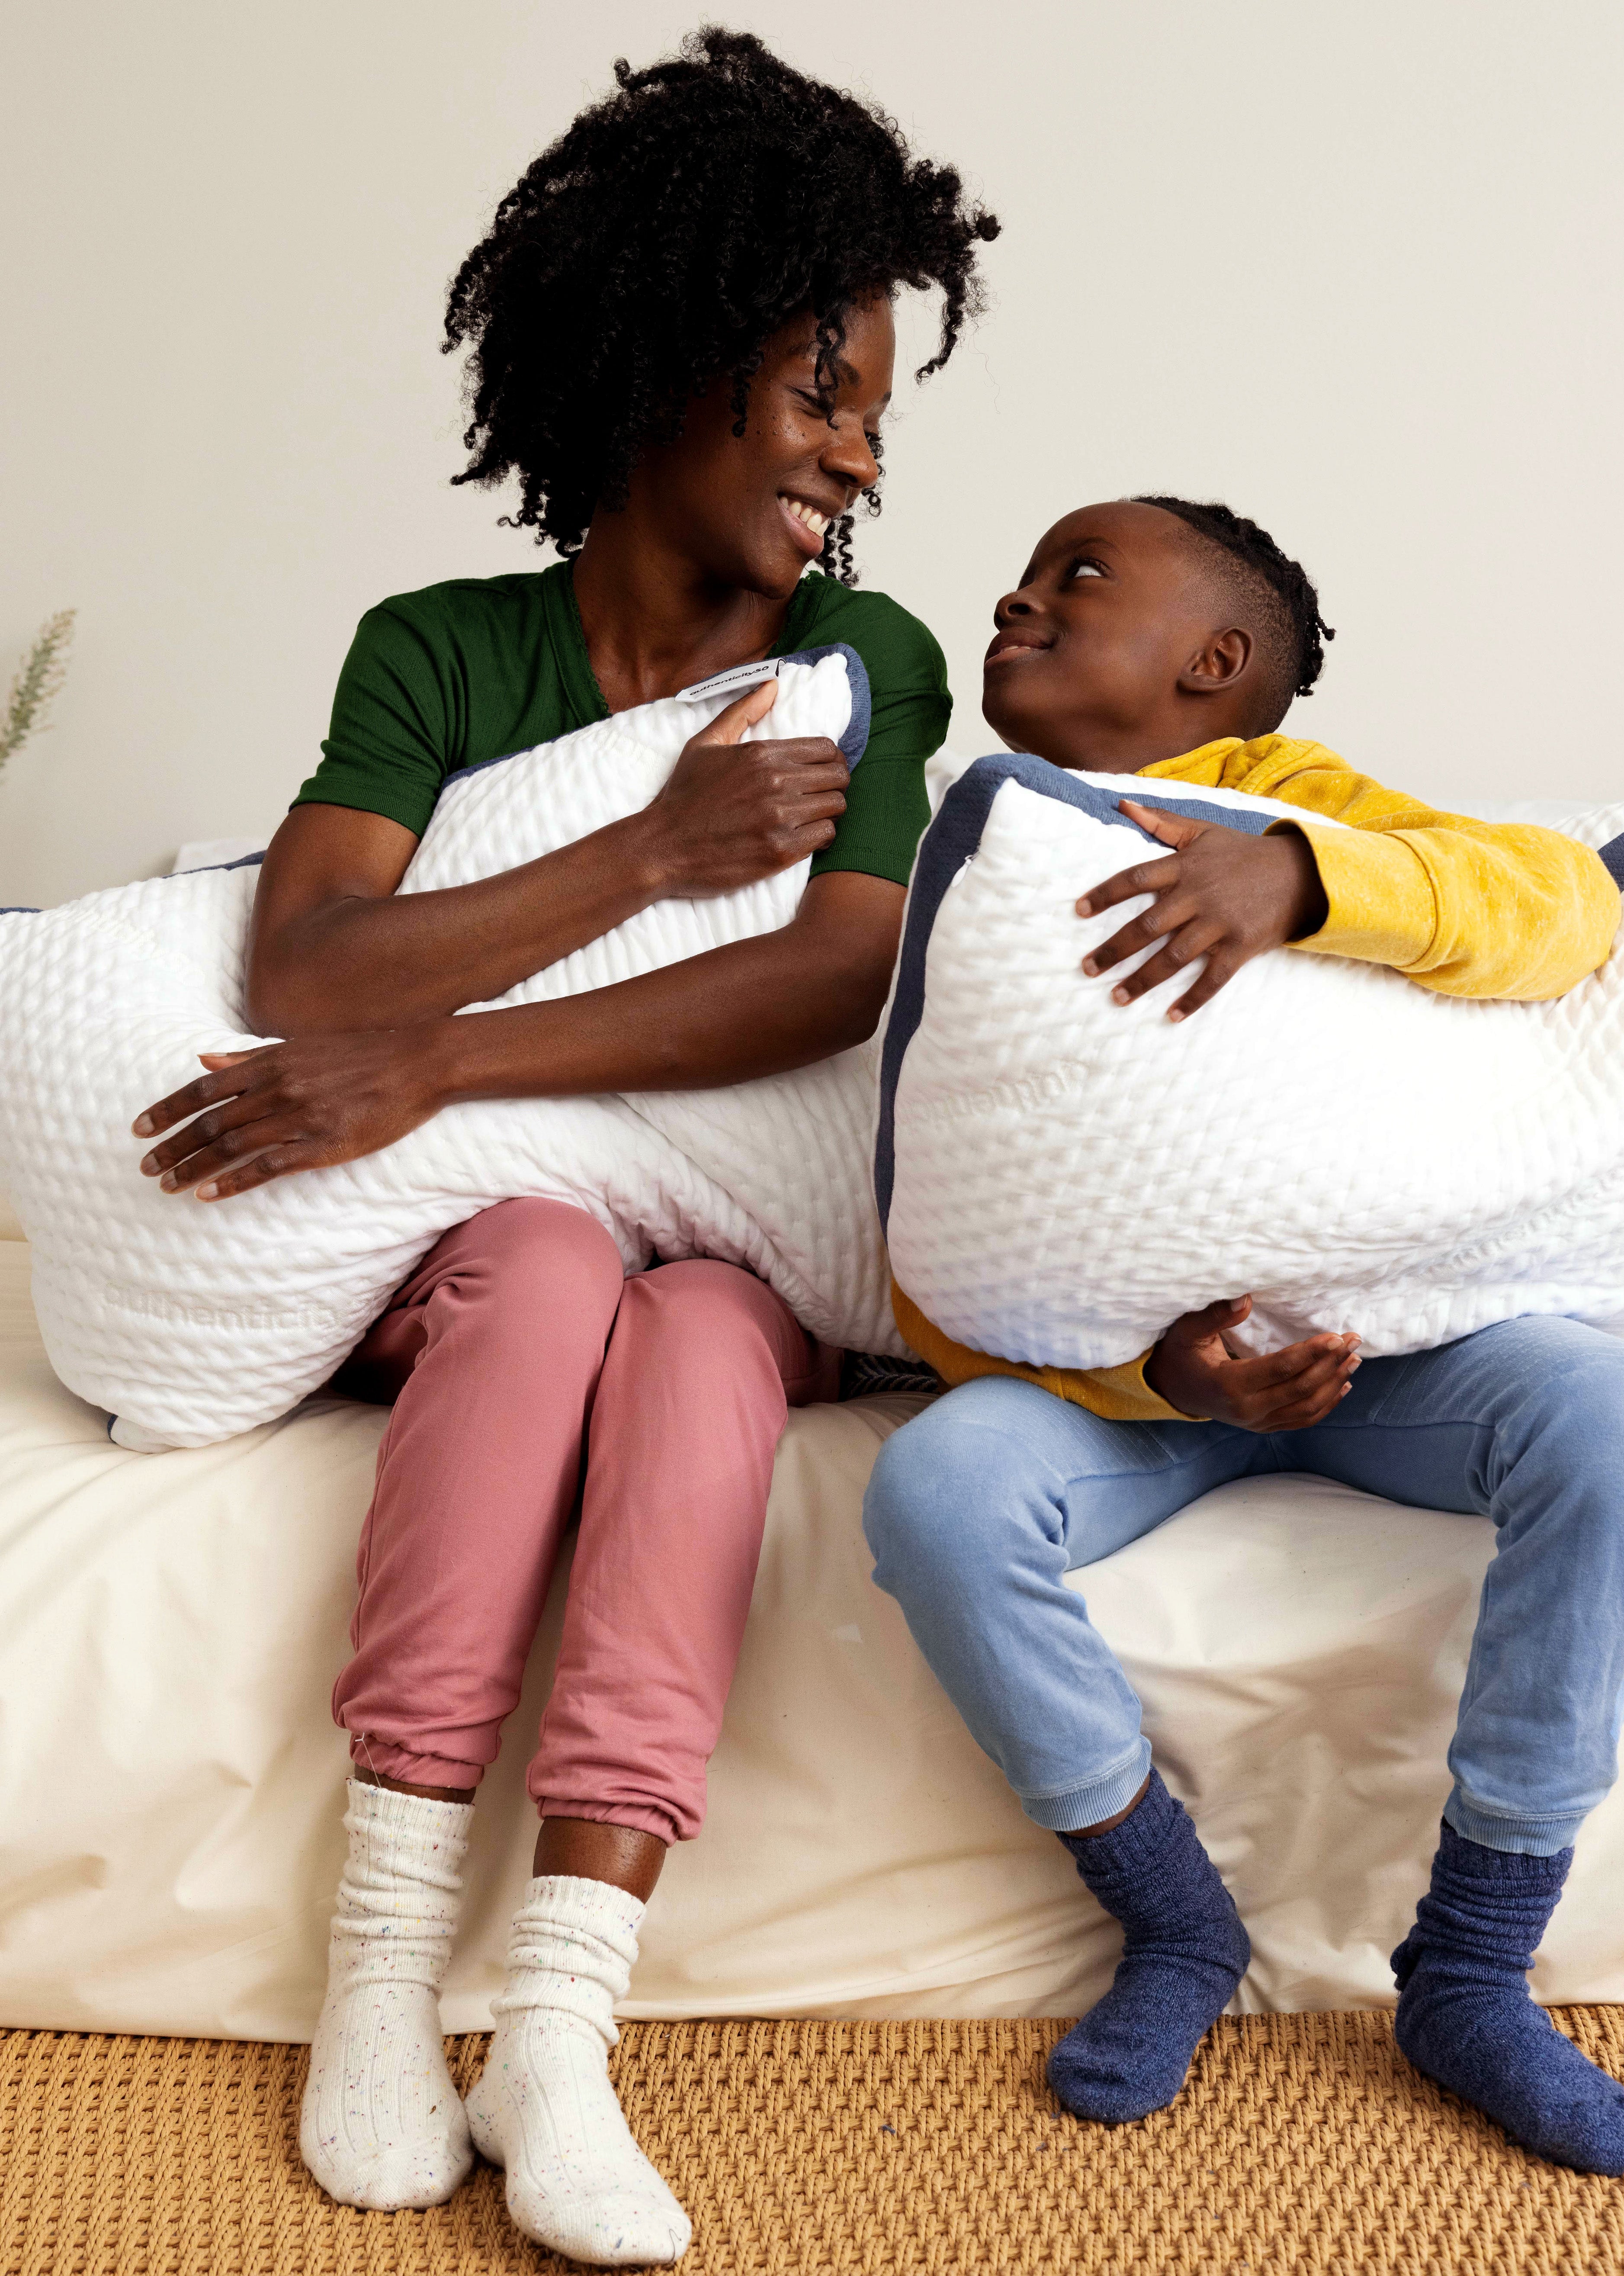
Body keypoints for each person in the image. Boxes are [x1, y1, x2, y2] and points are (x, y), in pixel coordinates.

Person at [131, 30, 995, 2265]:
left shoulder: (859, 653)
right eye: (825, 391)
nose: (859, 458)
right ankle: (380, 1968)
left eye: (882, 412)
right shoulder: (443, 648)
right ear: (672, 357)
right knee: (532, 1264)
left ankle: (562, 2019)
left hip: (733, 1246)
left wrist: (450, 1056)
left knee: (698, 1328)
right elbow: (316, 967)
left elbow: (831, 974)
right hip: (483, 1251)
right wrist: (642, 849)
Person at [863, 495, 1624, 2177]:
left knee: (1604, 1417)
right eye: (1025, 572)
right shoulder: (971, 865)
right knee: (936, 1489)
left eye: (1075, 573)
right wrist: (1156, 1370)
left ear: (1214, 665)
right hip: (1140, 1393)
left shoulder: (1297, 804)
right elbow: (943, 1242)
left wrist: (1300, 876)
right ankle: (1170, 1919)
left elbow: (1560, 907)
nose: (1016, 594)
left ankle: (1467, 1967)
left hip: (1395, 1359)